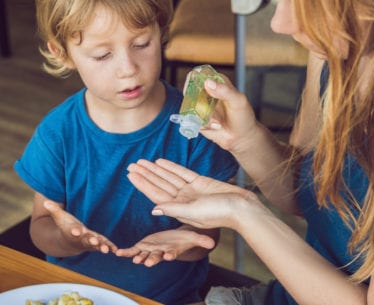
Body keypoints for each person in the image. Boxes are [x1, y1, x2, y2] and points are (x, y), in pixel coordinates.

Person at [126, 0, 374, 304]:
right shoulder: (332, 51)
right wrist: (245, 139)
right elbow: (309, 195)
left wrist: (243, 212)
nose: (280, 24)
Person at [14, 1, 239, 304]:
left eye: (141, 44)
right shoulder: (58, 134)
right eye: (102, 55)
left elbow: (206, 238)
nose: (128, 69)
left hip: (169, 298)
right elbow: (41, 228)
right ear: (62, 53)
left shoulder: (198, 127)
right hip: (76, 293)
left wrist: (185, 243)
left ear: (161, 32)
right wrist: (67, 240)